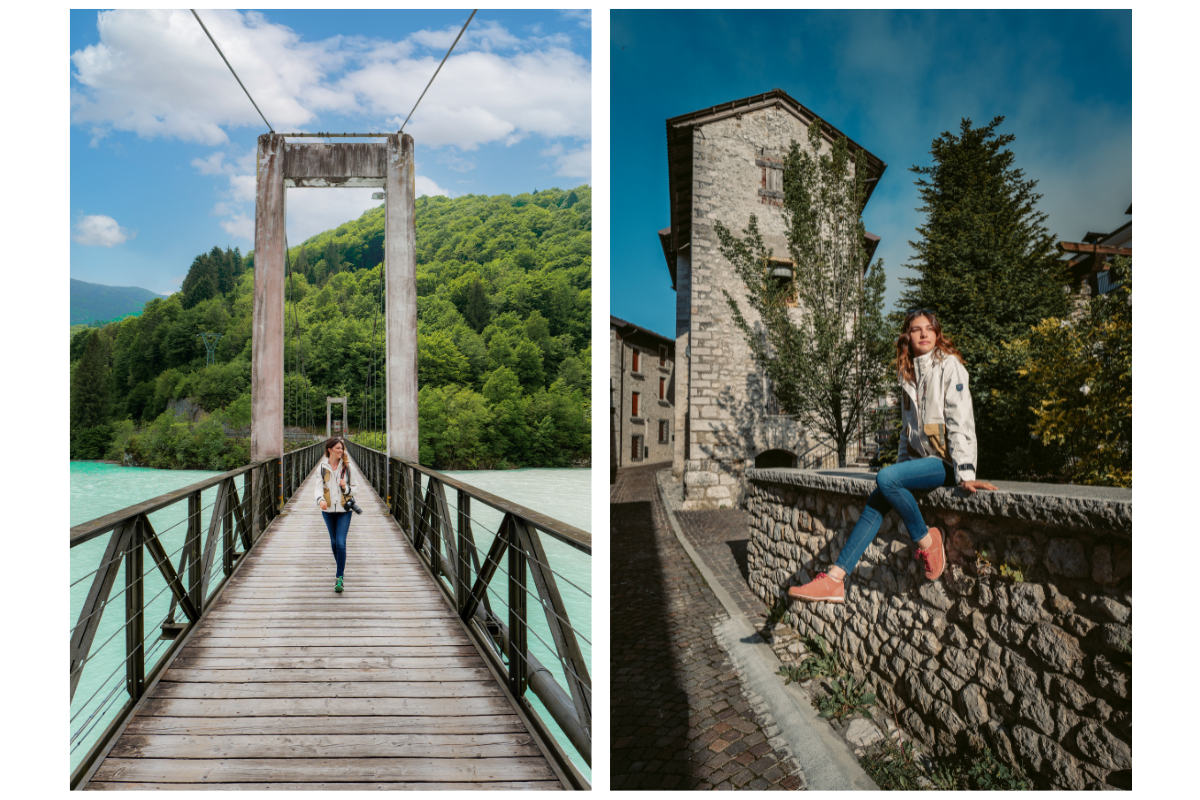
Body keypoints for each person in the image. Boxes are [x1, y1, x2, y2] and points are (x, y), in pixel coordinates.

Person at [789, 309, 999, 604]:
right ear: (907, 337)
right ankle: (836, 579)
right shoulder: (909, 375)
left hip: (946, 463)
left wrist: (966, 473)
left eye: (929, 328)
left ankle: (929, 541)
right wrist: (901, 474)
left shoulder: (949, 366)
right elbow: (906, 431)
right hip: (920, 464)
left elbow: (961, 420)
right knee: (879, 496)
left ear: (937, 334)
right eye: (916, 329)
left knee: (885, 478)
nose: (924, 333)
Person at [315, 437, 359, 593]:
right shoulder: (322, 467)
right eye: (338, 448)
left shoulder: (348, 467)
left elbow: (356, 489)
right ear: (330, 449)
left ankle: (339, 576)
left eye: (342, 448)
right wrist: (320, 500)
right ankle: (341, 566)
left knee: (340, 542)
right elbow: (317, 488)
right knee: (333, 542)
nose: (341, 451)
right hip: (327, 511)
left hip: (344, 510)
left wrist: (345, 487)